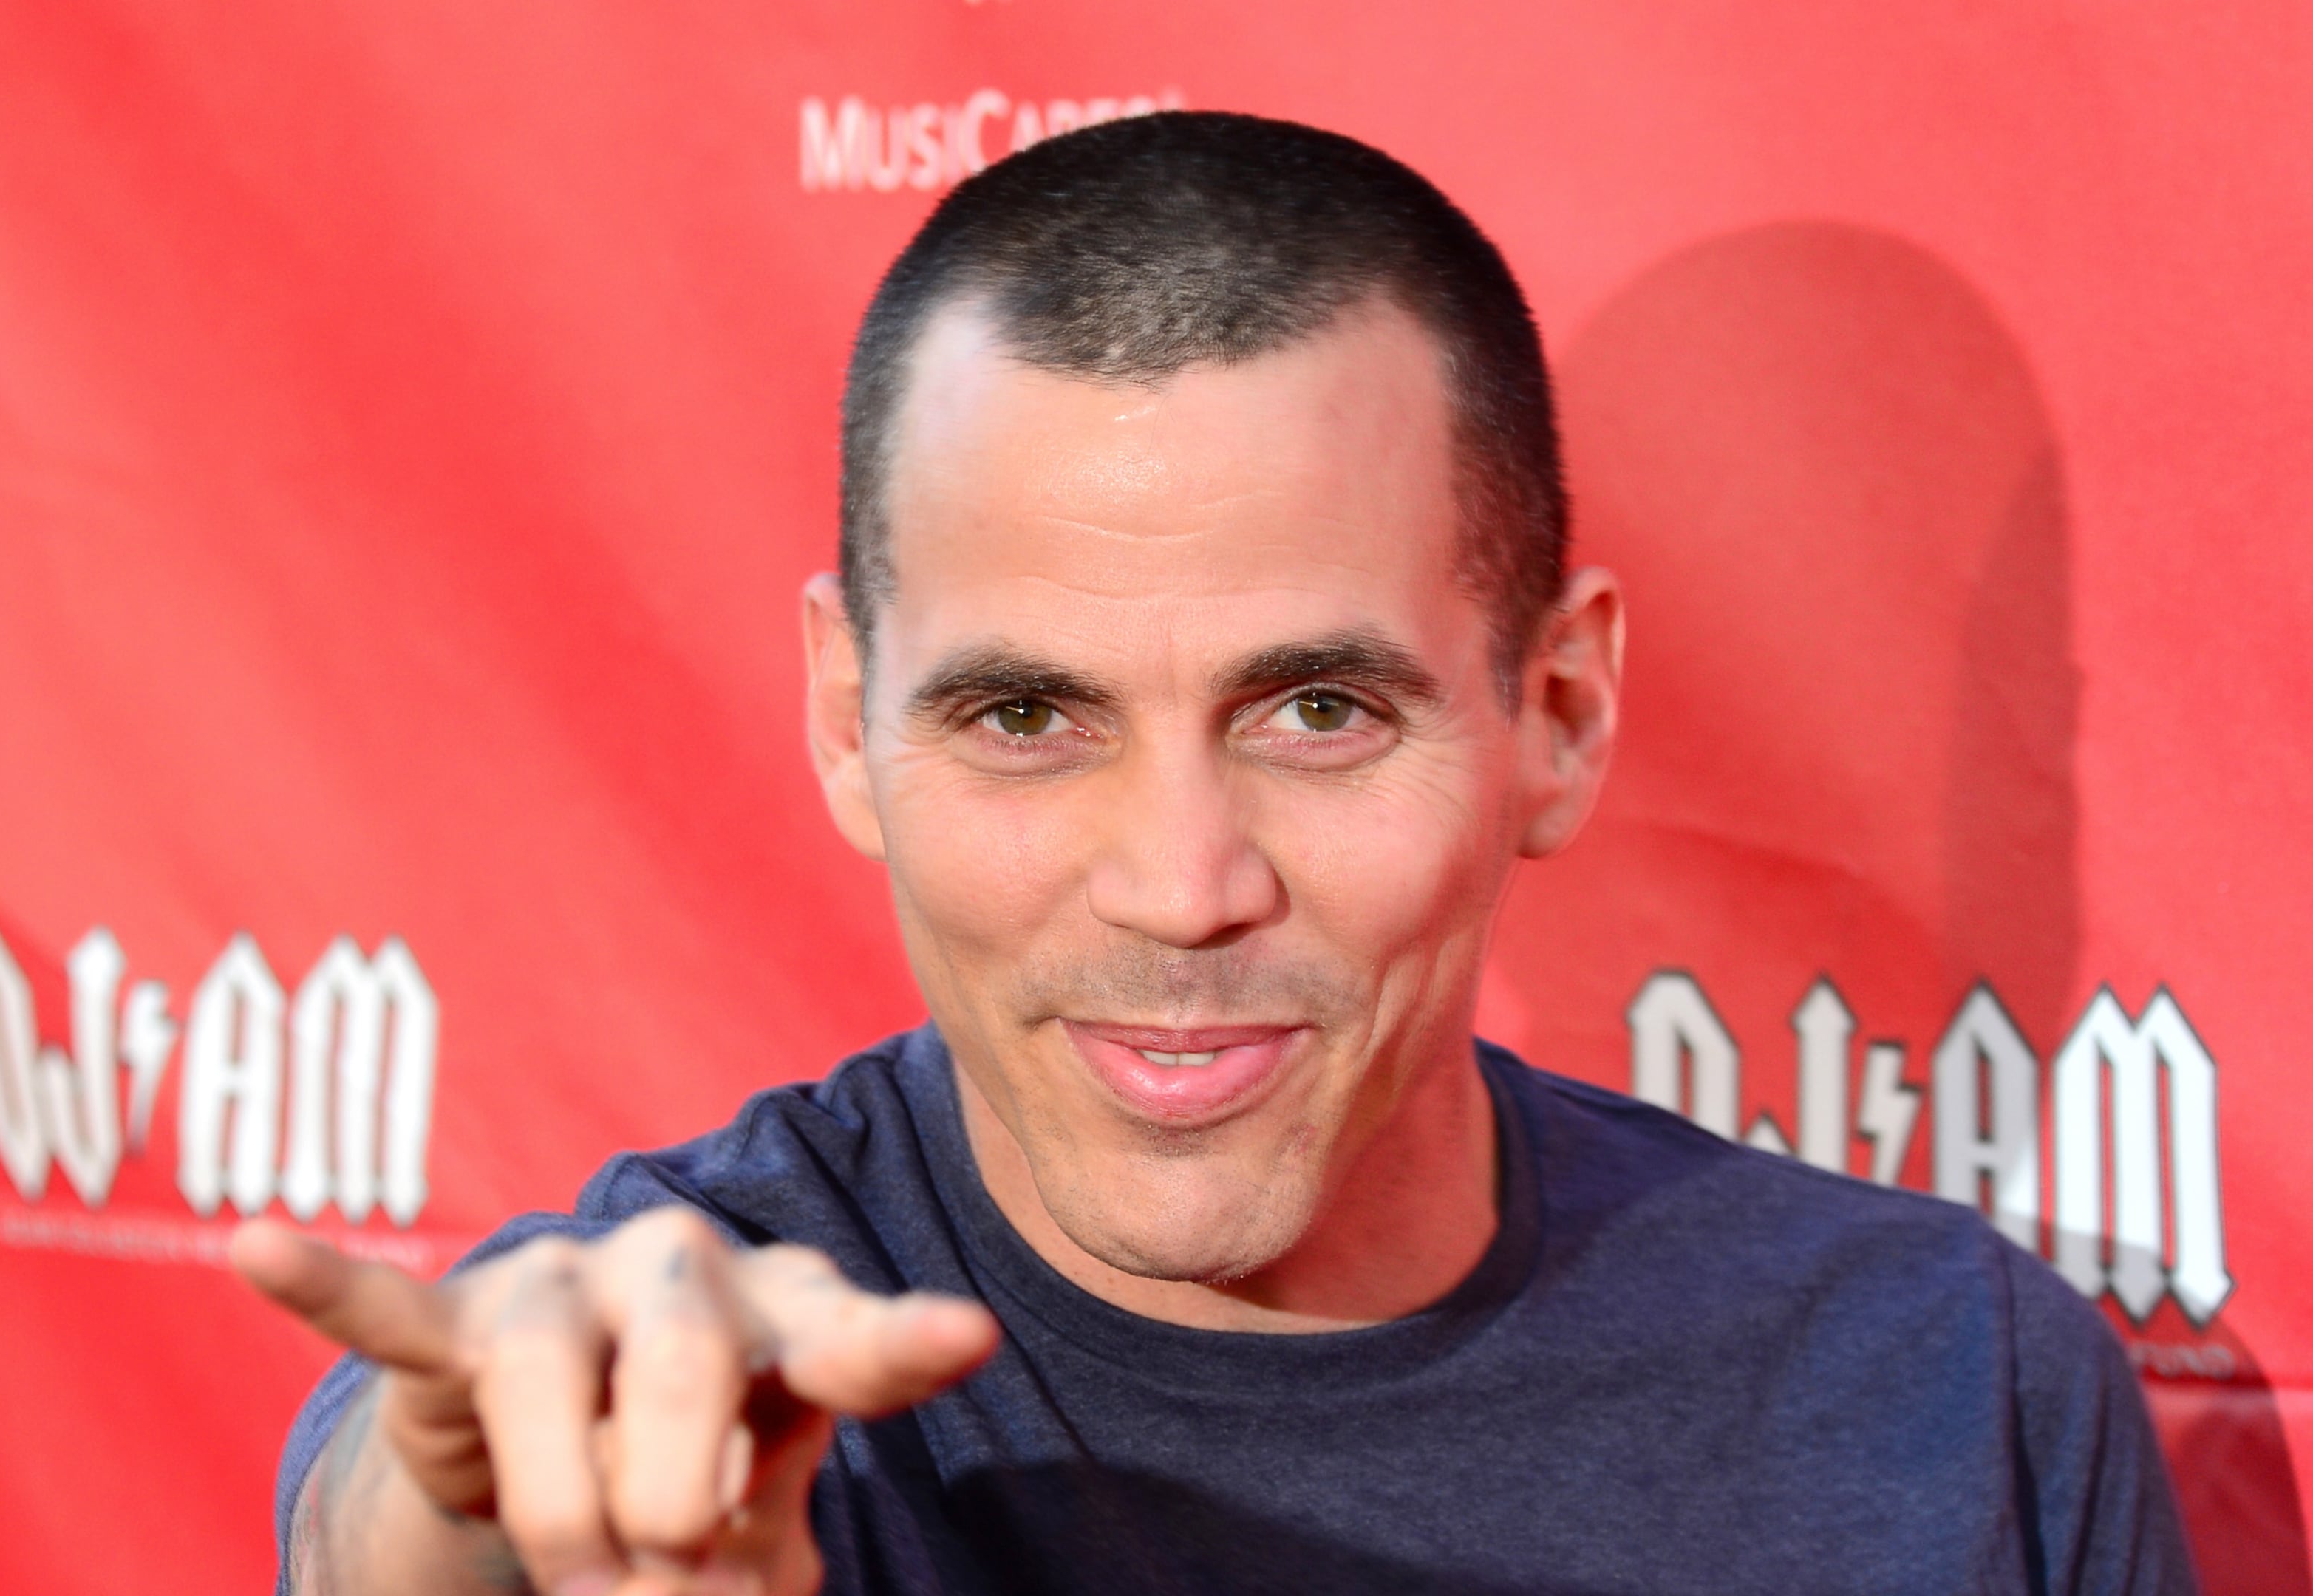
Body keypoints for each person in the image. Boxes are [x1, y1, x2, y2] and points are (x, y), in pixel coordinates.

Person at [229, 112, 2193, 1595]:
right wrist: (477, 1517)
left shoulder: (1958, 1400)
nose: (1180, 889)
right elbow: (434, 1504)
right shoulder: (706, 1357)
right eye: (1029, 719)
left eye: (1317, 713)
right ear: (848, 721)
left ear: (1559, 714)